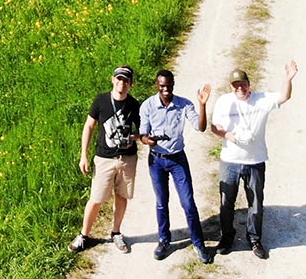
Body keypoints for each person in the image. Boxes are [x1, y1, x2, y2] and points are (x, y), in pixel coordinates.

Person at [208, 60, 298, 260]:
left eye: (242, 84)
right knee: (226, 202)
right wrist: (226, 135)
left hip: (255, 160)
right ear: (231, 87)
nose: (239, 88)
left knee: (256, 203)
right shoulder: (224, 101)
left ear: (249, 84)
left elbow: (285, 96)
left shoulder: (262, 99)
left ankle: (254, 239)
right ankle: (227, 237)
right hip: (230, 161)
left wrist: (288, 79)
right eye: (235, 85)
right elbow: (214, 127)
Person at [139, 71, 214, 264]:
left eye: (169, 85)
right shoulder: (147, 105)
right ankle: (164, 240)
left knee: (188, 203)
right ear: (157, 85)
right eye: (162, 86)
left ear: (173, 84)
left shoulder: (184, 104)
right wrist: (148, 140)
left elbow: (200, 127)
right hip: (156, 160)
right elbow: (142, 134)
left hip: (178, 160)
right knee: (161, 202)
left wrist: (202, 105)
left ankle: (198, 243)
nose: (165, 89)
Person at [69, 65, 140, 254]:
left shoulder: (134, 104)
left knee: (122, 196)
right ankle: (84, 235)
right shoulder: (101, 100)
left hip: (127, 159)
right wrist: (83, 155)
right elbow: (89, 126)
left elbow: (142, 131)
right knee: (96, 199)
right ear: (113, 79)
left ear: (131, 84)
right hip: (104, 158)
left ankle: (116, 232)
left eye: (126, 80)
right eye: (119, 79)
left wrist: (133, 137)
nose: (122, 83)